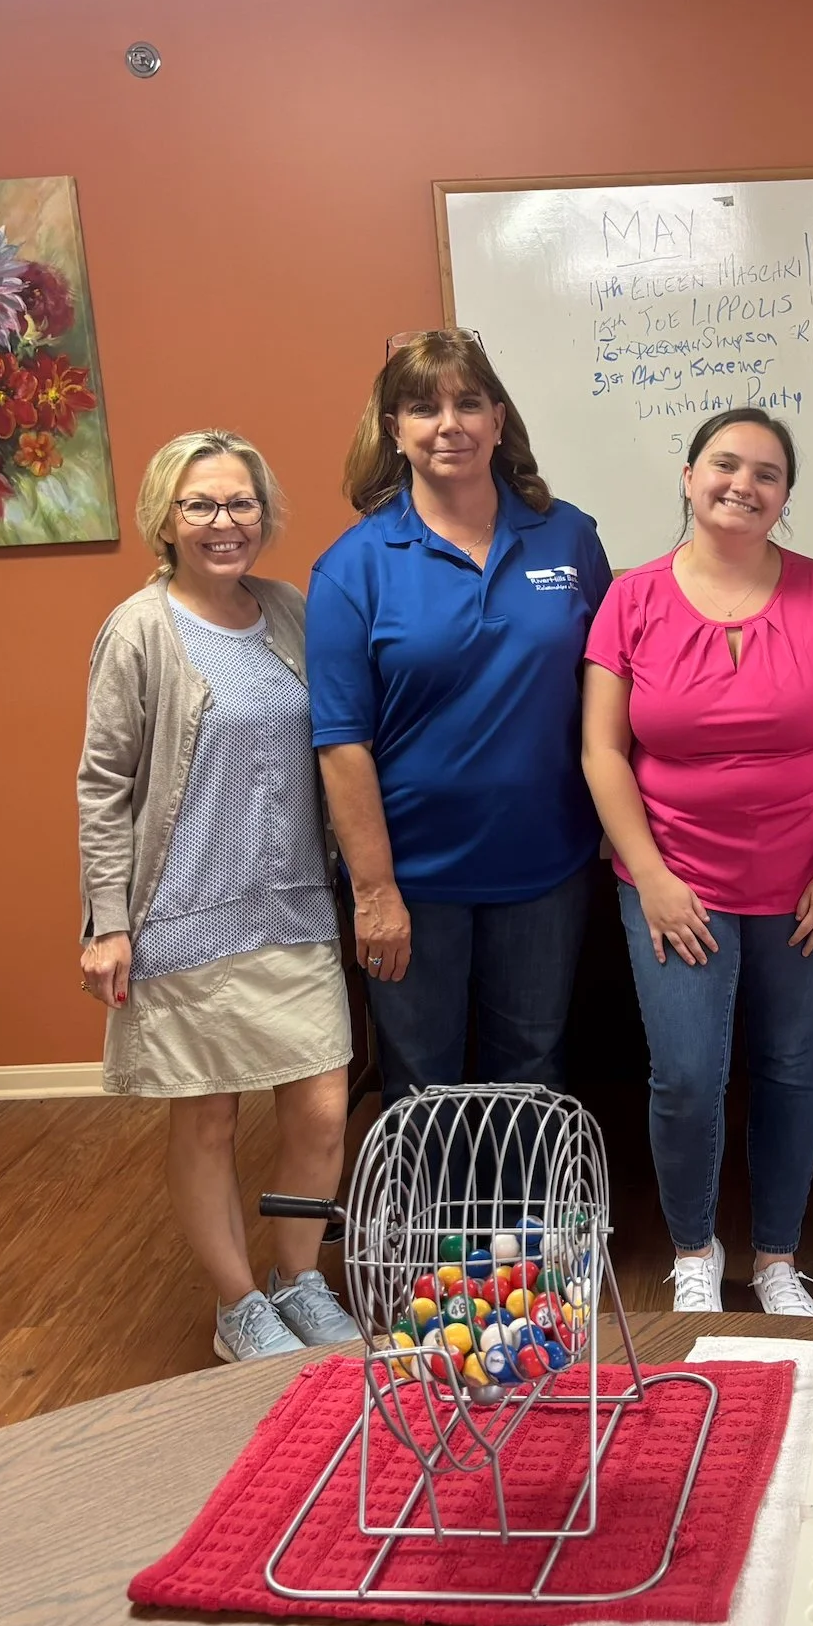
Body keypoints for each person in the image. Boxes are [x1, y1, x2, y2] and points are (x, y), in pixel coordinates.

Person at [582, 409, 813, 1316]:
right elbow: (602, 751)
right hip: (672, 882)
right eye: (725, 465)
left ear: (785, 498)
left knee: (790, 1065)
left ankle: (777, 1261)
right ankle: (691, 1251)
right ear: (688, 477)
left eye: (766, 473)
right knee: (685, 1074)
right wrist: (656, 878)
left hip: (806, 888)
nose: (742, 485)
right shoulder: (632, 598)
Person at [76, 431, 361, 1364]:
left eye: (239, 503)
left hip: (294, 905)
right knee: (208, 1117)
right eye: (200, 505)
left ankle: (298, 1276)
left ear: (264, 513)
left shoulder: (287, 610)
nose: (223, 522)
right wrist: (109, 924)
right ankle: (239, 1305)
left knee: (322, 1108)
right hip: (188, 912)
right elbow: (103, 784)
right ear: (166, 518)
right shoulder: (140, 629)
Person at [308, 332, 612, 1106]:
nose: (450, 423)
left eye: (468, 403)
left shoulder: (569, 536)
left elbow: (613, 692)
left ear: (499, 421)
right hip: (414, 880)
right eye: (423, 407)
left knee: (535, 1071)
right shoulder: (354, 566)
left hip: (547, 867)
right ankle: (428, 1232)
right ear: (393, 430)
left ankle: (530, 1231)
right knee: (419, 1081)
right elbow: (342, 745)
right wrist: (374, 892)